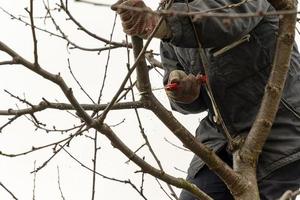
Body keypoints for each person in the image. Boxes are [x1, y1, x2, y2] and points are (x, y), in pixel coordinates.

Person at [113, 0, 300, 199]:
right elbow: (179, 86)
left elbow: (224, 20)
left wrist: (161, 24)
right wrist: (183, 93)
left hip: (281, 136)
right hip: (220, 144)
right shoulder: (171, 12)